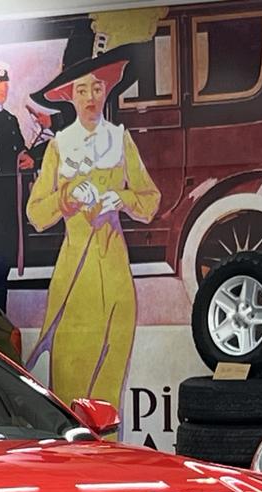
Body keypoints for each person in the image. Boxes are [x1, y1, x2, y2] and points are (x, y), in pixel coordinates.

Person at [25, 36, 160, 411]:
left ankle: (111, 462)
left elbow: (150, 200)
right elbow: (36, 213)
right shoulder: (59, 146)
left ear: (106, 90)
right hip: (75, 277)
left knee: (109, 389)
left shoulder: (121, 140)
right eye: (82, 89)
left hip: (116, 273)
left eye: (96, 87)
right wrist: (66, 196)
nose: (90, 97)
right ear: (69, 95)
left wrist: (124, 199)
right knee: (71, 385)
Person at [0, 62, 35, 313]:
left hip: (11, 208)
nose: (3, 87)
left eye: (5, 82)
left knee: (3, 269)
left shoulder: (11, 120)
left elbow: (19, 150)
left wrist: (26, 157)